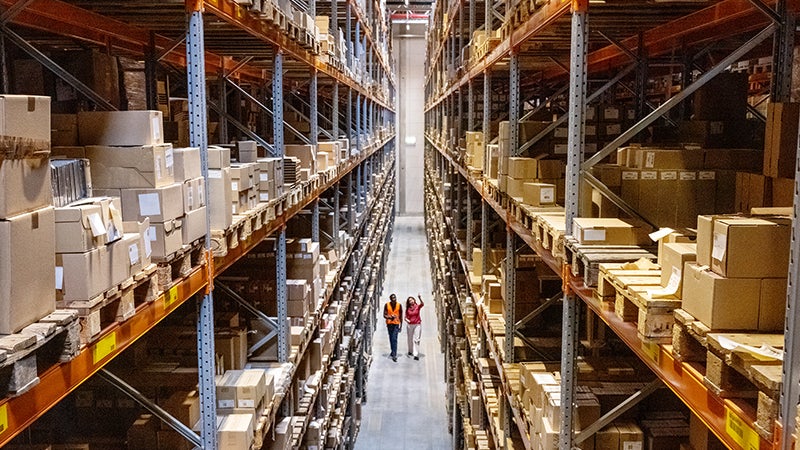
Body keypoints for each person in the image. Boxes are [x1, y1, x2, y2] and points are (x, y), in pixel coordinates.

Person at [383, 294, 403, 362]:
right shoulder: (387, 305)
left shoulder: (399, 305)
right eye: (392, 298)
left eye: (395, 298)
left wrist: (401, 326)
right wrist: (390, 317)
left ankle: (394, 355)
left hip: (396, 324)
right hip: (389, 324)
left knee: (394, 339)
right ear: (390, 299)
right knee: (391, 338)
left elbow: (401, 316)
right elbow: (384, 315)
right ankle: (392, 351)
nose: (394, 299)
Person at [405, 294, 424, 360]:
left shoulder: (417, 307)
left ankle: (416, 354)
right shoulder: (408, 309)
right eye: (410, 300)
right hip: (410, 325)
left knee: (417, 339)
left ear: (414, 300)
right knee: (410, 339)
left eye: (412, 299)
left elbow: (422, 304)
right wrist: (407, 320)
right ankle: (410, 350)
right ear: (408, 302)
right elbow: (405, 317)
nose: (411, 301)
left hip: (417, 324)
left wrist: (420, 298)